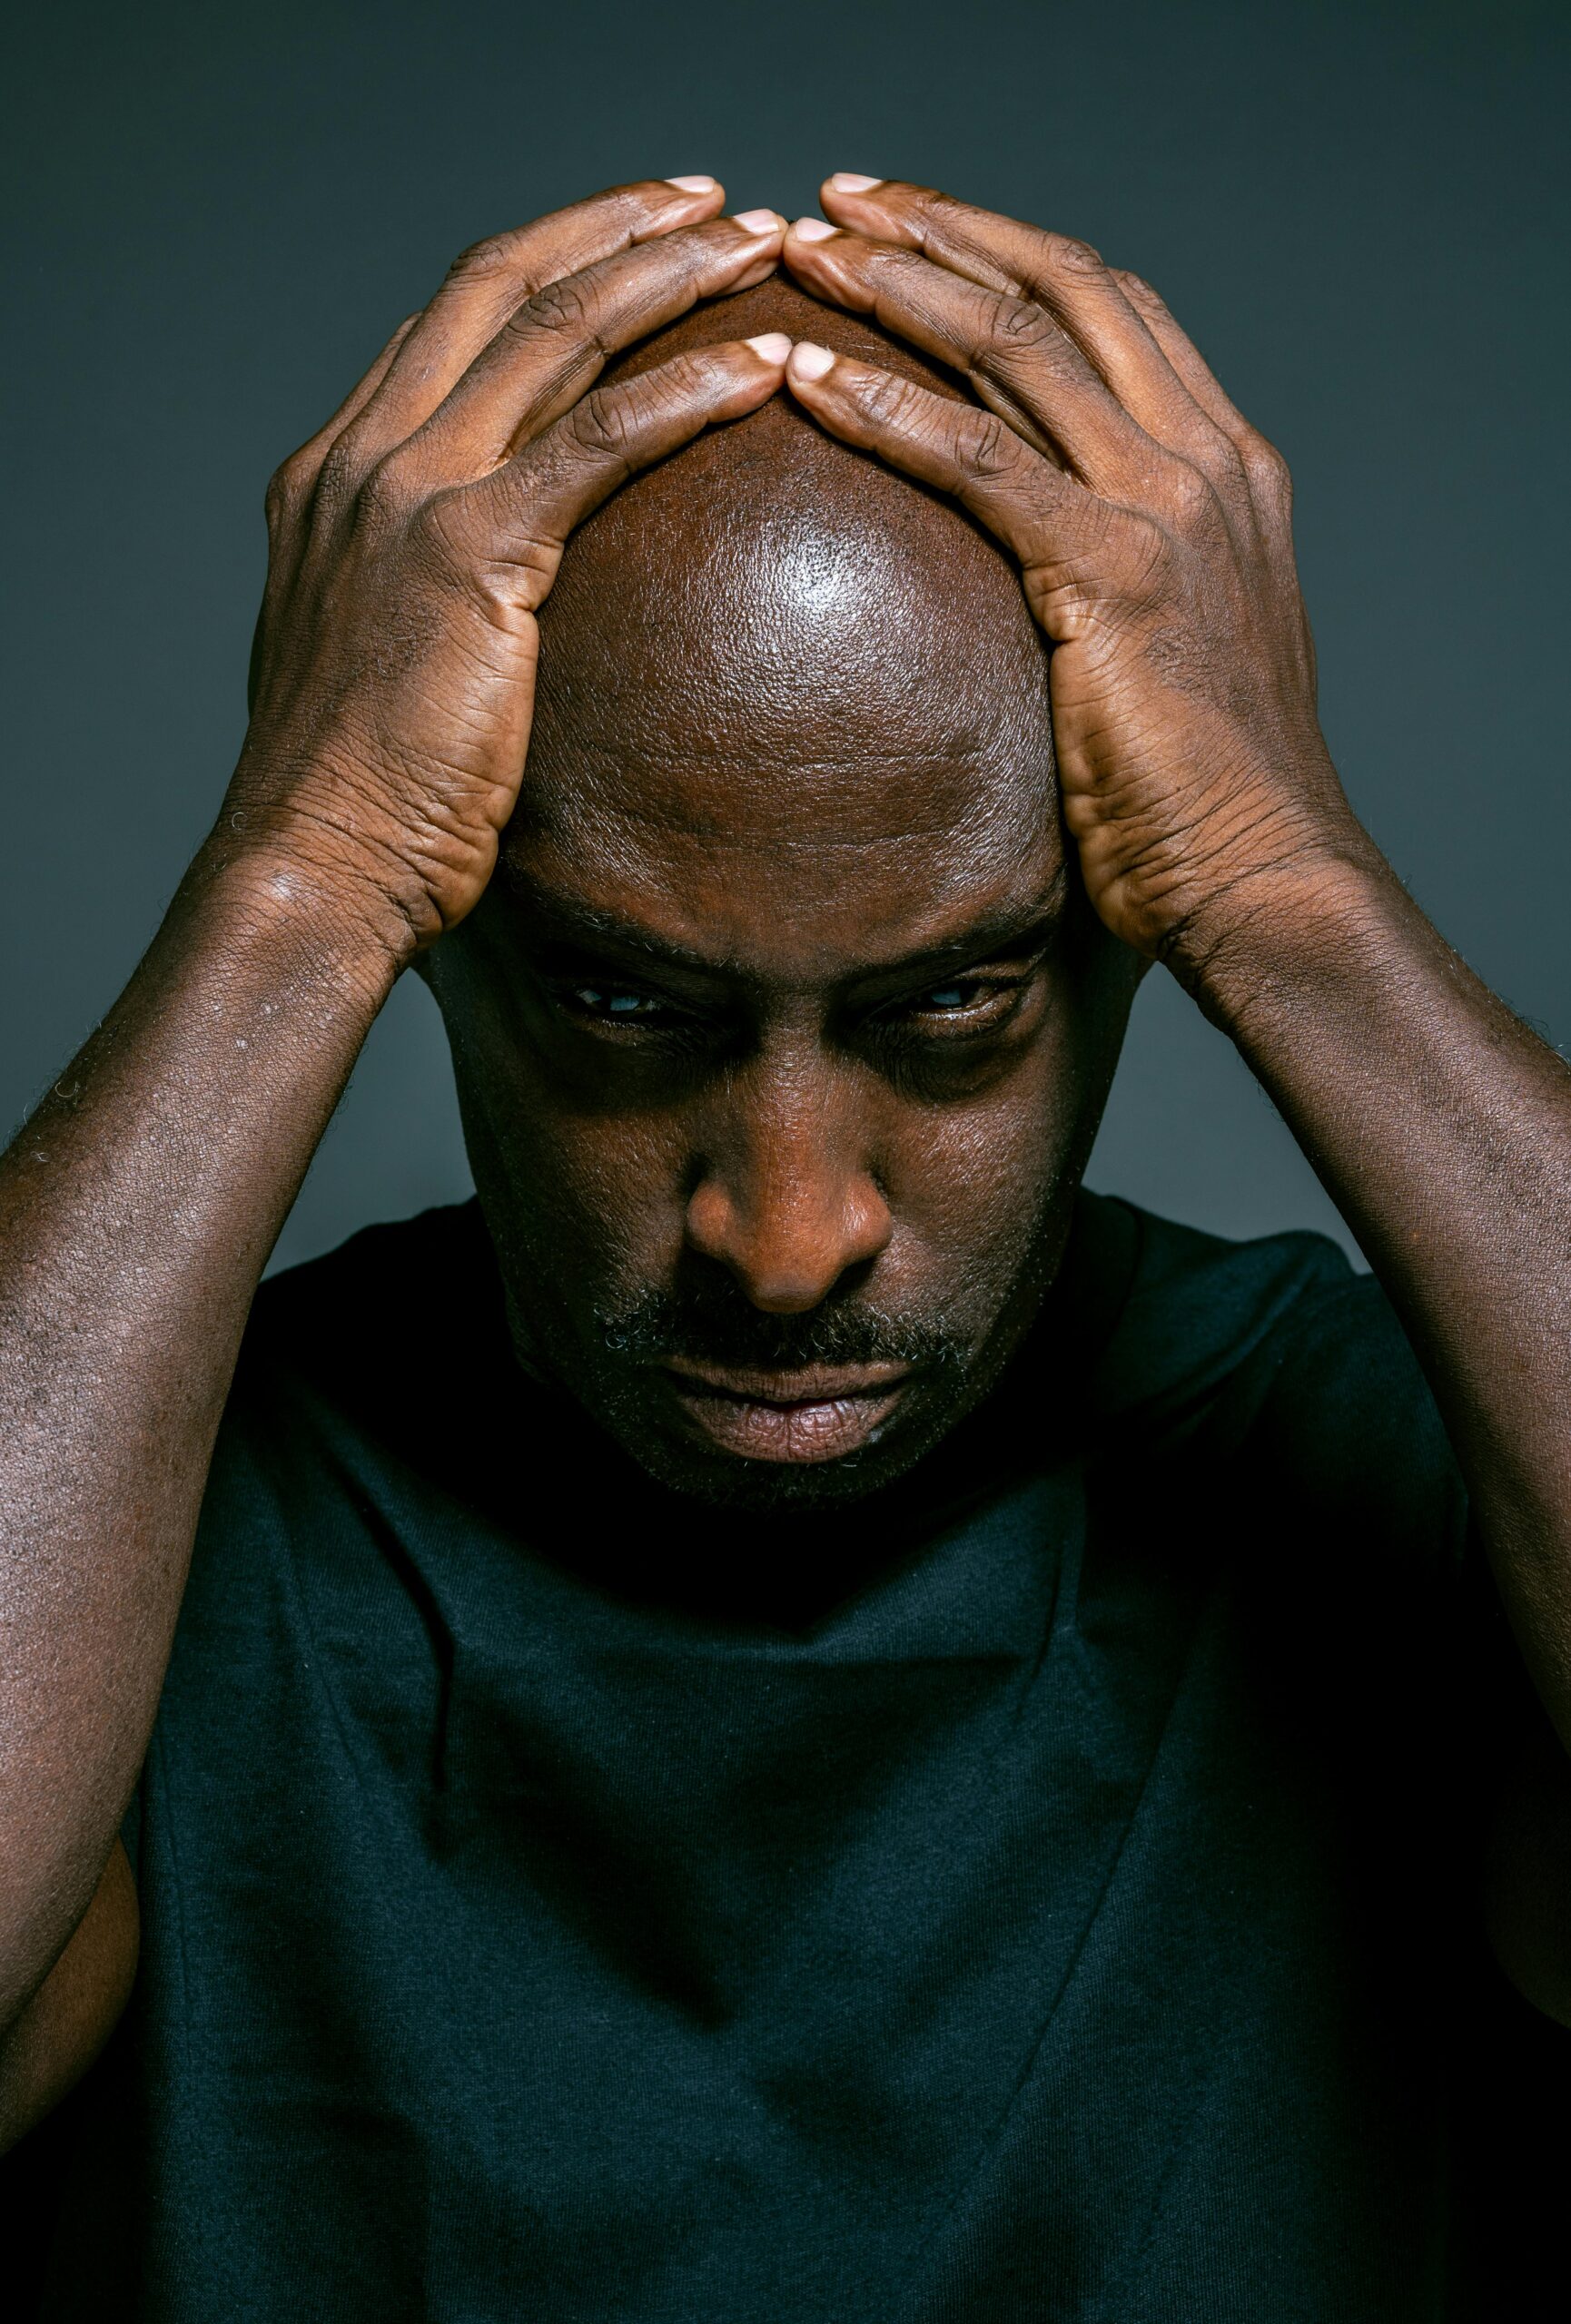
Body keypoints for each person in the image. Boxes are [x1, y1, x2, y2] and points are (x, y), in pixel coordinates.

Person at [0, 169, 1566, 2318]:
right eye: (627, 1006)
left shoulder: (1393, 1467)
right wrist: (299, 872)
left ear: (1125, 940)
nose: (787, 1228)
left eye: (948, 1009)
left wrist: (1286, 879)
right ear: (449, 939)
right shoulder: (154, 1536)